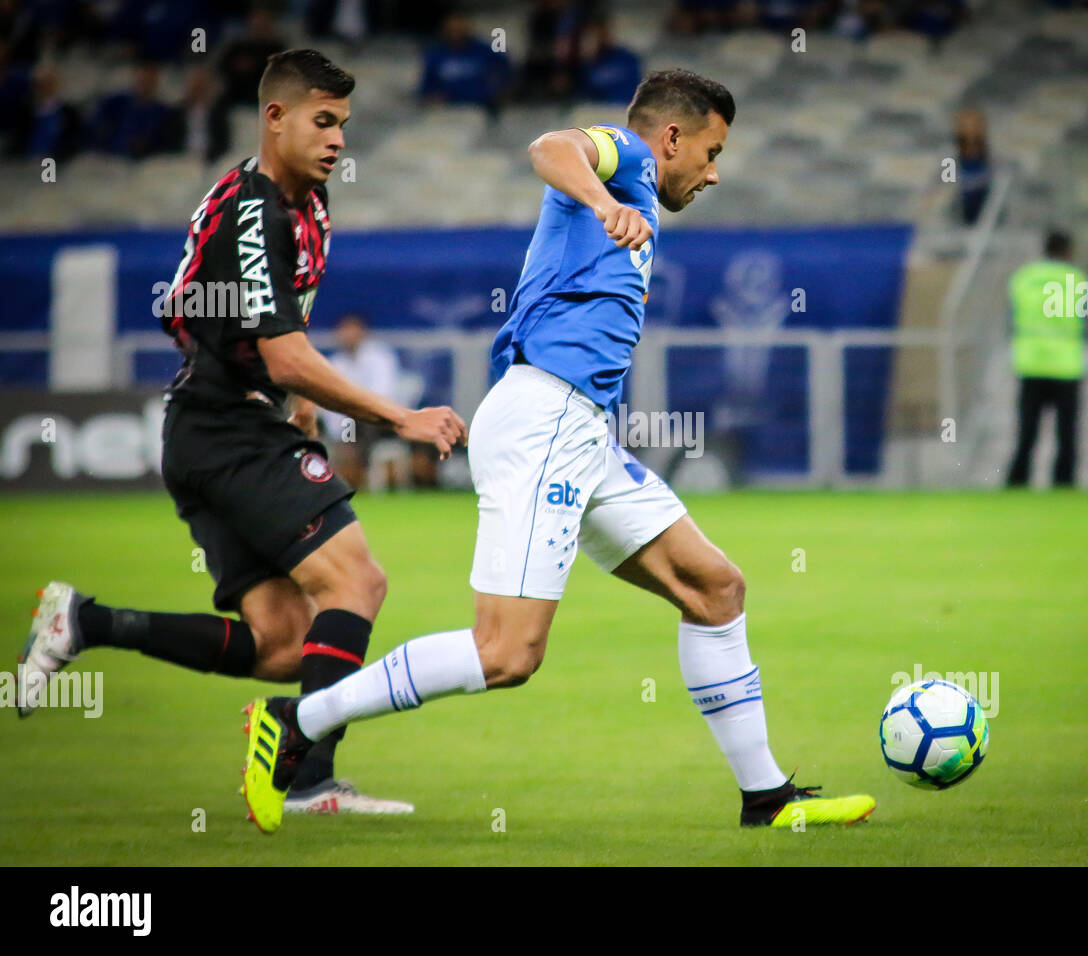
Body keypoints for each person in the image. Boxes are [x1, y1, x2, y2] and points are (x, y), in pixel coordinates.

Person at [239, 68, 876, 834]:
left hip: (582, 431)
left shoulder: (640, 192)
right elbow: (549, 146)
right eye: (711, 152)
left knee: (715, 589)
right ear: (672, 136)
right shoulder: (629, 160)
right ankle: (300, 718)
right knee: (506, 653)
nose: (713, 172)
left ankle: (766, 799)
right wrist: (606, 201)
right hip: (544, 418)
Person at [18, 49, 468, 817]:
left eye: (344, 126)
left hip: (214, 426)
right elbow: (284, 352)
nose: (337, 140)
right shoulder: (255, 210)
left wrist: (295, 406)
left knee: (284, 646)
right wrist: (398, 416)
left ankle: (86, 620)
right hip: (225, 428)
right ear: (275, 117)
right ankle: (312, 781)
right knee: (357, 581)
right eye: (322, 122)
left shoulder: (307, 203)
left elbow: (264, 328)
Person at [1005, 229, 1088, 488]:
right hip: (1066, 365)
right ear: (1068, 251)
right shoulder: (1076, 279)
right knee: (1066, 434)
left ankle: (1017, 483)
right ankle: (1063, 484)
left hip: (1030, 363)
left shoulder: (1023, 278)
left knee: (1027, 432)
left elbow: (1010, 320)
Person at [319, 312, 402, 489]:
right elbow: (328, 403)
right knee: (347, 429)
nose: (348, 335)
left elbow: (383, 395)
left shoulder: (380, 358)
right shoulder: (334, 364)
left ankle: (359, 475)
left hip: (381, 421)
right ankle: (344, 476)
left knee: (356, 427)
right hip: (346, 424)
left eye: (352, 330)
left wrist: (353, 408)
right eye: (344, 330)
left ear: (363, 332)